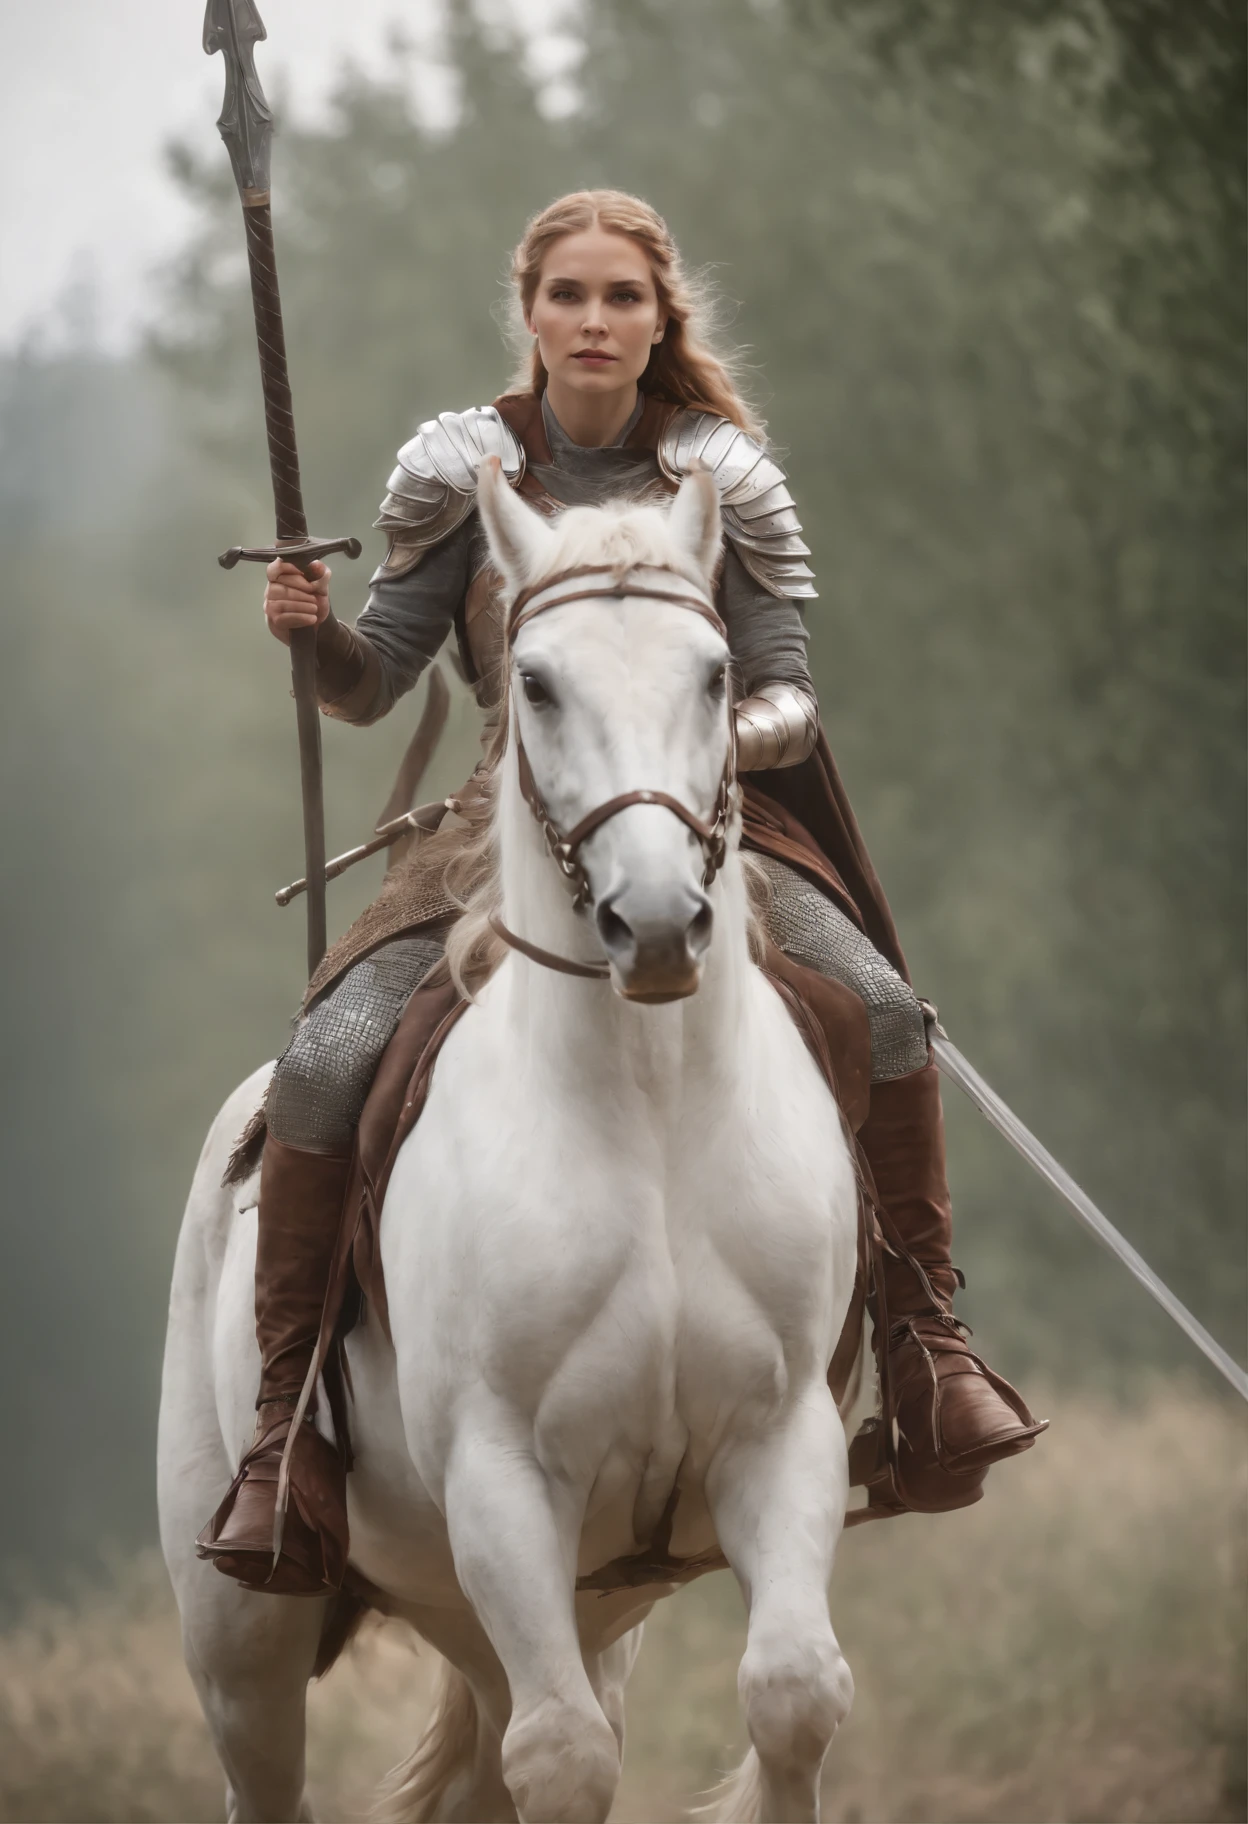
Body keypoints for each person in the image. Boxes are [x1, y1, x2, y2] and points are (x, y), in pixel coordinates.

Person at [198, 189, 1044, 1596]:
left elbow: (790, 698)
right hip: (500, 827)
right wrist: (313, 639)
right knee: (328, 1056)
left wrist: (693, 754)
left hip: (706, 821)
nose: (596, 321)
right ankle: (287, 1438)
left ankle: (928, 1355)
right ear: (528, 313)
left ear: (662, 318)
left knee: (886, 1011)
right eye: (570, 296)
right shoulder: (462, 469)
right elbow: (372, 687)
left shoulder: (723, 475)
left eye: (624, 298)